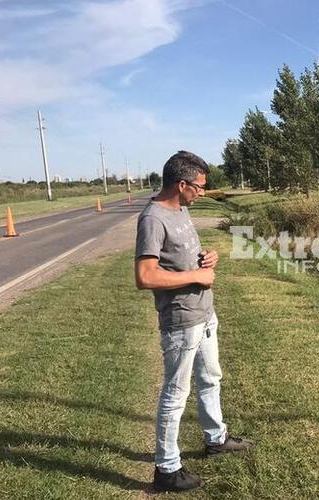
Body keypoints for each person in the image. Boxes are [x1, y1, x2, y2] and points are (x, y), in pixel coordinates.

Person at [135, 151, 252, 492]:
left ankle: (216, 439)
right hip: (182, 320)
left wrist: (207, 259)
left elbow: (184, 258)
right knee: (176, 392)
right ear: (181, 184)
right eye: (199, 187)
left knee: (210, 378)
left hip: (204, 313)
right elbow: (145, 276)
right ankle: (167, 468)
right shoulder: (153, 219)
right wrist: (196, 277)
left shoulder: (182, 210)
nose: (202, 192)